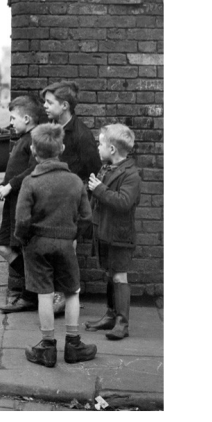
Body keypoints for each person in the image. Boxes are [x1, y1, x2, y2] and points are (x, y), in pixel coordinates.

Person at [13, 123, 97, 367]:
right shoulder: (74, 181)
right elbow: (86, 218)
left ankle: (47, 348)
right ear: (61, 147)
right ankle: (73, 345)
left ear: (33, 150)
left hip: (37, 244)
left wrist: (24, 240)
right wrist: (73, 237)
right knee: (72, 292)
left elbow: (22, 220)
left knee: (44, 294)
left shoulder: (30, 182)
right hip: (65, 244)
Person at [41, 80, 101, 314]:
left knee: (68, 248)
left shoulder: (80, 135)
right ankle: (63, 294)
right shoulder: (53, 127)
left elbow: (94, 171)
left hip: (72, 202)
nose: (45, 106)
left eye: (49, 102)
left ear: (64, 105)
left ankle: (66, 295)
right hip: (53, 199)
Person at [85, 123, 142, 340]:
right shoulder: (106, 168)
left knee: (119, 277)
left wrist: (98, 188)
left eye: (100, 144)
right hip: (105, 231)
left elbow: (124, 202)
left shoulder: (131, 175)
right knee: (110, 274)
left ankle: (122, 323)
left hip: (120, 236)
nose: (98, 148)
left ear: (111, 149)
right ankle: (110, 315)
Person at [0, 95, 43, 314]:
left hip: (23, 203)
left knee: (25, 248)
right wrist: (3, 185)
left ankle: (31, 294)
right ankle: (34, 290)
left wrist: (10, 186)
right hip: (12, 202)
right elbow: (16, 169)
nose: (11, 122)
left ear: (27, 118)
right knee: (3, 247)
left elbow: (33, 170)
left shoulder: (35, 139)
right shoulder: (23, 138)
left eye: (13, 118)